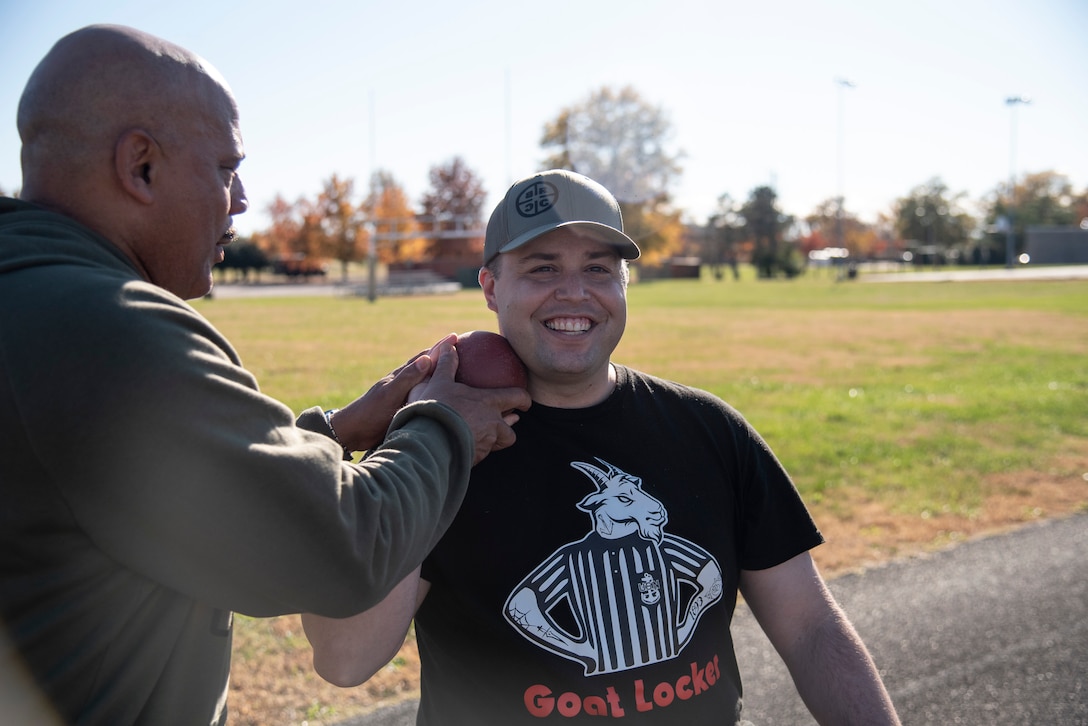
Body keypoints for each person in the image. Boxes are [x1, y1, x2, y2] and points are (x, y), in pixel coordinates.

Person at [0, 24, 530, 726]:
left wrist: (335, 432)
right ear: (142, 166)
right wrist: (443, 425)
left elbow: (175, 501)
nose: (242, 199)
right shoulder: (107, 325)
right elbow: (343, 547)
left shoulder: (30, 294)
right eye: (224, 167)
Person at [302, 169, 902, 725]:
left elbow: (810, 627)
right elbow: (345, 658)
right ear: (489, 287)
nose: (574, 293)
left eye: (597, 268)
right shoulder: (439, 451)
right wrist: (422, 442)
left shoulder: (709, 431)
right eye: (541, 268)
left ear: (624, 283)